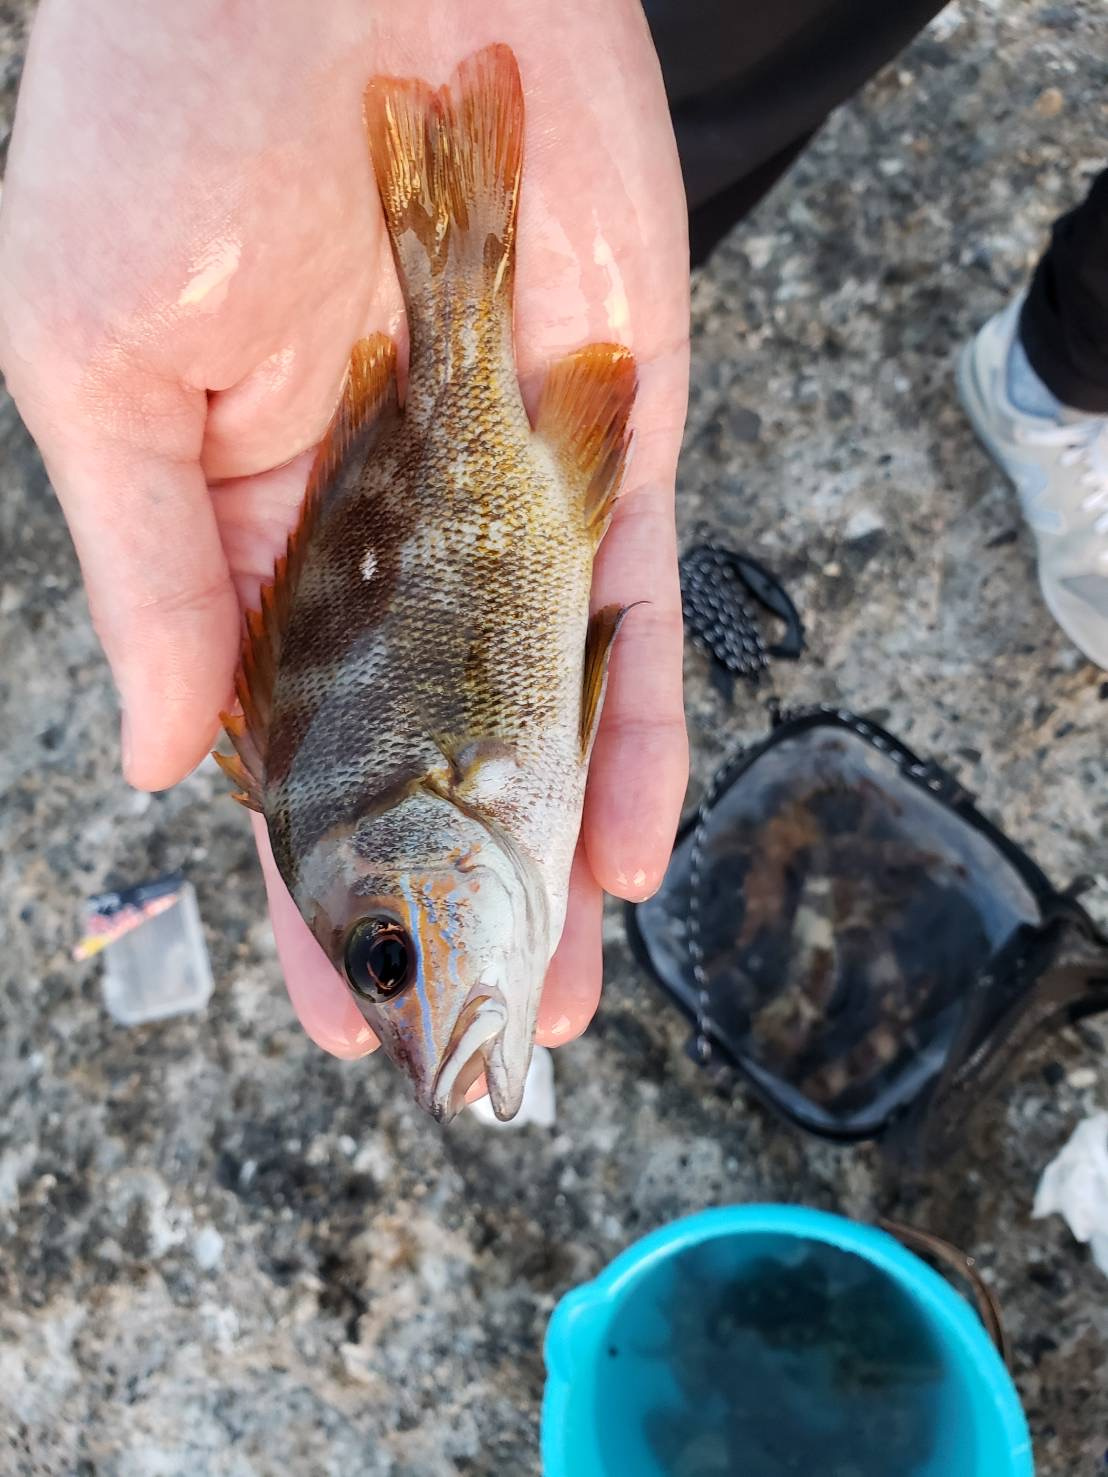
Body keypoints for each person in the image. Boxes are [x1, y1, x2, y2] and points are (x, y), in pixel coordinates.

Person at [0, 1, 1101, 1066]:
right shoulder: (394, 820)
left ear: (413, 837)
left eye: (391, 961)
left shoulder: (403, 807)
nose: (419, 1020)